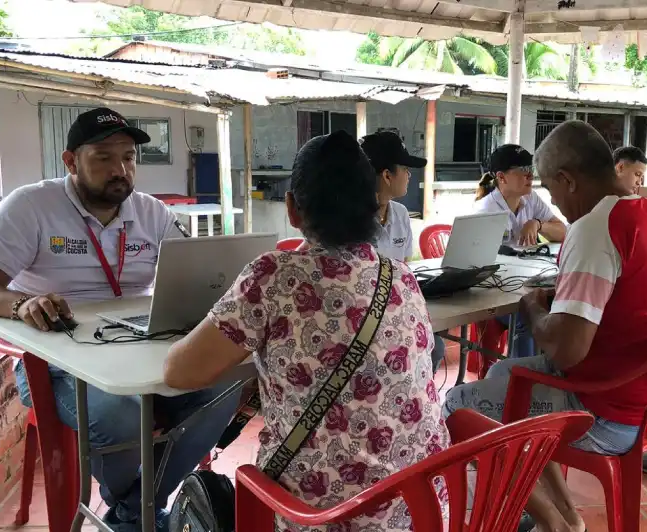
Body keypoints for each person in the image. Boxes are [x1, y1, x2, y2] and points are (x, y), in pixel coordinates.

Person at [0, 107, 239, 531]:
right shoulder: (32, 206)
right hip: (55, 361)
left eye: (129, 157)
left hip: (136, 348)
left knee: (225, 386)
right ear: (71, 161)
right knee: (119, 417)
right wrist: (19, 303)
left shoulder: (151, 213)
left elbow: (199, 275)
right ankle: (143, 513)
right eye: (103, 157)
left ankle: (134, 511)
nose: (120, 169)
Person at [164, 130, 449, 532]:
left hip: (319, 519)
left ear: (293, 210)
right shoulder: (401, 276)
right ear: (375, 207)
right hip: (424, 513)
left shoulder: (274, 275)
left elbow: (180, 371)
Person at [444, 121, 647, 532]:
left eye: (552, 190)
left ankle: (552, 523)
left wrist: (532, 308)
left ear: (568, 180)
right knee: (504, 372)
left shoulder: (595, 227)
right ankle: (569, 517)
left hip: (604, 412)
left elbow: (566, 350)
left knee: (456, 406)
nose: (553, 200)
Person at [359, 131, 445, 371]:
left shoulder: (400, 214)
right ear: (387, 175)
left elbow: (403, 268)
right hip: (362, 312)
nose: (409, 175)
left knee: (435, 344)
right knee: (431, 346)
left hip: (395, 306)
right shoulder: (352, 220)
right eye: (405, 169)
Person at [473, 144, 568, 359]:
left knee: (561, 310)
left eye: (530, 168)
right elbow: (477, 264)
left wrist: (538, 224)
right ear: (502, 177)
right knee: (527, 318)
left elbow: (563, 232)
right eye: (522, 170)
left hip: (527, 285)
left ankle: (544, 372)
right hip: (497, 295)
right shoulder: (486, 210)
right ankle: (519, 379)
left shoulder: (531, 199)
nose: (529, 175)